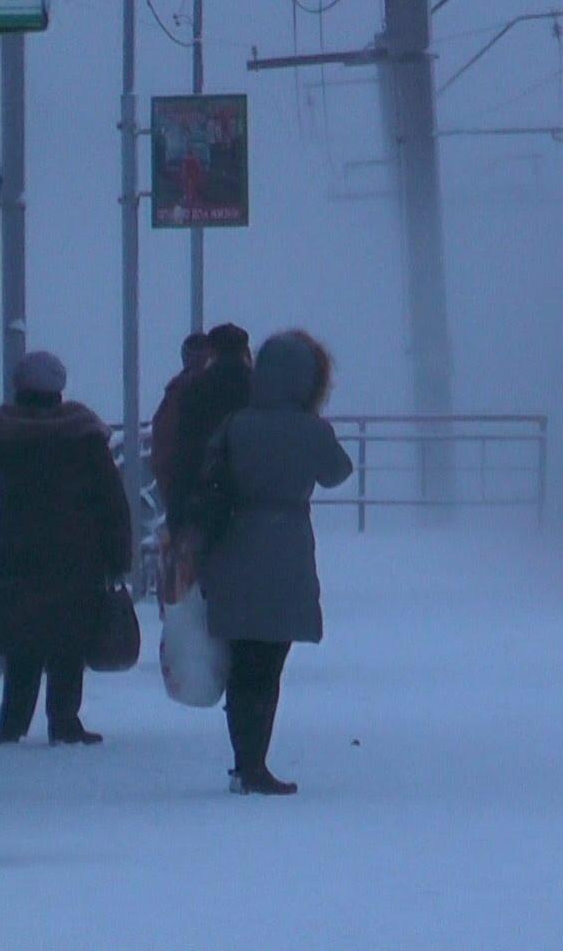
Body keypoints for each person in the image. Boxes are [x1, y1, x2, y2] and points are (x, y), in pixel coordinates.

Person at [199, 331, 352, 795]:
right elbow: (337, 473)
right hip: (285, 548)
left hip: (234, 543)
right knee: (269, 663)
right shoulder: (311, 431)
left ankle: (243, 760)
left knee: (242, 660)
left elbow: (207, 475)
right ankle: (255, 765)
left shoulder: (235, 424)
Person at [0, 351, 133, 745]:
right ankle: (64, 721)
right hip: (75, 551)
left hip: (19, 551)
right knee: (69, 639)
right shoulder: (84, 437)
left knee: (23, 641)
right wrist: (118, 555)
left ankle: (12, 724)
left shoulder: (4, 437)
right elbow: (111, 500)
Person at [167, 323, 252, 543]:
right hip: (255, 504)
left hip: (210, 503)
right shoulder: (261, 389)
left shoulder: (195, 390)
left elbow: (184, 454)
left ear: (212, 351)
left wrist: (176, 518)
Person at [149, 331, 210, 513]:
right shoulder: (240, 391)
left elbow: (162, 450)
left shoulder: (176, 395)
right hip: (233, 506)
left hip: (185, 494)